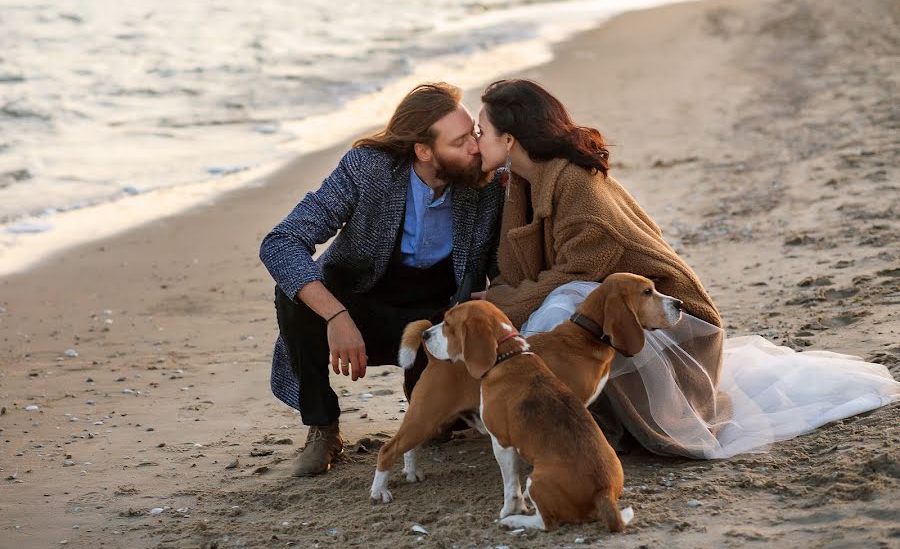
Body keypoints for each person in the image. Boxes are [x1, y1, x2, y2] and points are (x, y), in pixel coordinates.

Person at [474, 78, 900, 458]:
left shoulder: (577, 189)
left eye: (481, 132)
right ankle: (561, 415)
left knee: (560, 305)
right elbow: (522, 270)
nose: (476, 142)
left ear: (509, 140)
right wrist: (497, 302)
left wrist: (499, 305)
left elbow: (573, 277)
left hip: (677, 324)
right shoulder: (523, 184)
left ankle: (557, 427)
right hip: (621, 316)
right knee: (560, 305)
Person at [260, 82, 504, 476]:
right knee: (293, 294)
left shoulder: (487, 185)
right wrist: (336, 318)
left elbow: (502, 267)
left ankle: (433, 401)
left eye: (474, 135)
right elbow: (282, 242)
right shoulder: (367, 169)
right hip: (362, 308)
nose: (475, 148)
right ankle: (323, 427)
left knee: (437, 429)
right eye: (460, 142)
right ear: (424, 151)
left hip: (437, 321)